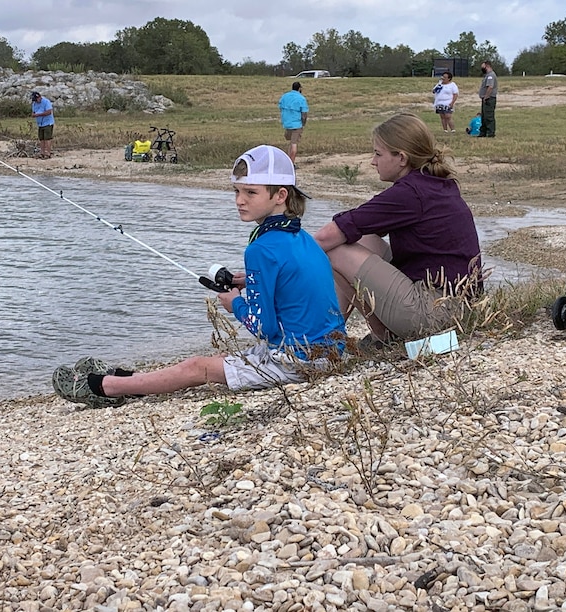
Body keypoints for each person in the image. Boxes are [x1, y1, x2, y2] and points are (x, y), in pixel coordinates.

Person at [52, 145, 346, 409]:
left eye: (251, 192)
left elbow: (265, 328)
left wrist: (234, 304)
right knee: (208, 362)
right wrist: (246, 281)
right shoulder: (301, 236)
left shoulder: (261, 249)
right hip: (331, 352)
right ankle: (128, 378)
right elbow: (293, 279)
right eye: (236, 191)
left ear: (280, 195)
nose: (239, 201)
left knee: (197, 367)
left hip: (298, 362)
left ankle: (106, 388)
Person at [313, 112, 482, 347]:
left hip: (435, 312)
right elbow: (357, 227)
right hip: (460, 304)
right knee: (364, 239)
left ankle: (340, 338)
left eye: (378, 154)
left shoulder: (410, 193)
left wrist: (273, 270)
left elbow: (327, 236)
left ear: (401, 158)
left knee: (336, 250)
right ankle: (329, 334)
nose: (373, 162)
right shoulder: (434, 183)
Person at [279, 81, 309, 162]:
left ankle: (288, 160)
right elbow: (304, 113)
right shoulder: (301, 98)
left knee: (291, 143)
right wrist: (303, 123)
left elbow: (280, 107)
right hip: (296, 124)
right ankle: (291, 164)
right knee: (294, 144)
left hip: (287, 123)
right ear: (299, 88)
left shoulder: (285, 96)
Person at [30, 91, 55, 158]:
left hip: (47, 123)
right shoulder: (34, 104)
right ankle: (42, 152)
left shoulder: (46, 102)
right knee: (41, 139)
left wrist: (39, 114)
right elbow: (33, 112)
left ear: (39, 97)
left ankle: (48, 153)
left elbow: (49, 112)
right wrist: (34, 115)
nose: (36, 101)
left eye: (36, 99)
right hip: (40, 124)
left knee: (47, 138)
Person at [478, 61, 497, 137]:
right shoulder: (487, 75)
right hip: (485, 99)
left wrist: (486, 96)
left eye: (483, 67)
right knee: (484, 116)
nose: (482, 68)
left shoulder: (491, 76)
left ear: (487, 66)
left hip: (489, 98)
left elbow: (490, 87)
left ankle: (490, 133)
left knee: (489, 116)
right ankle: (483, 132)